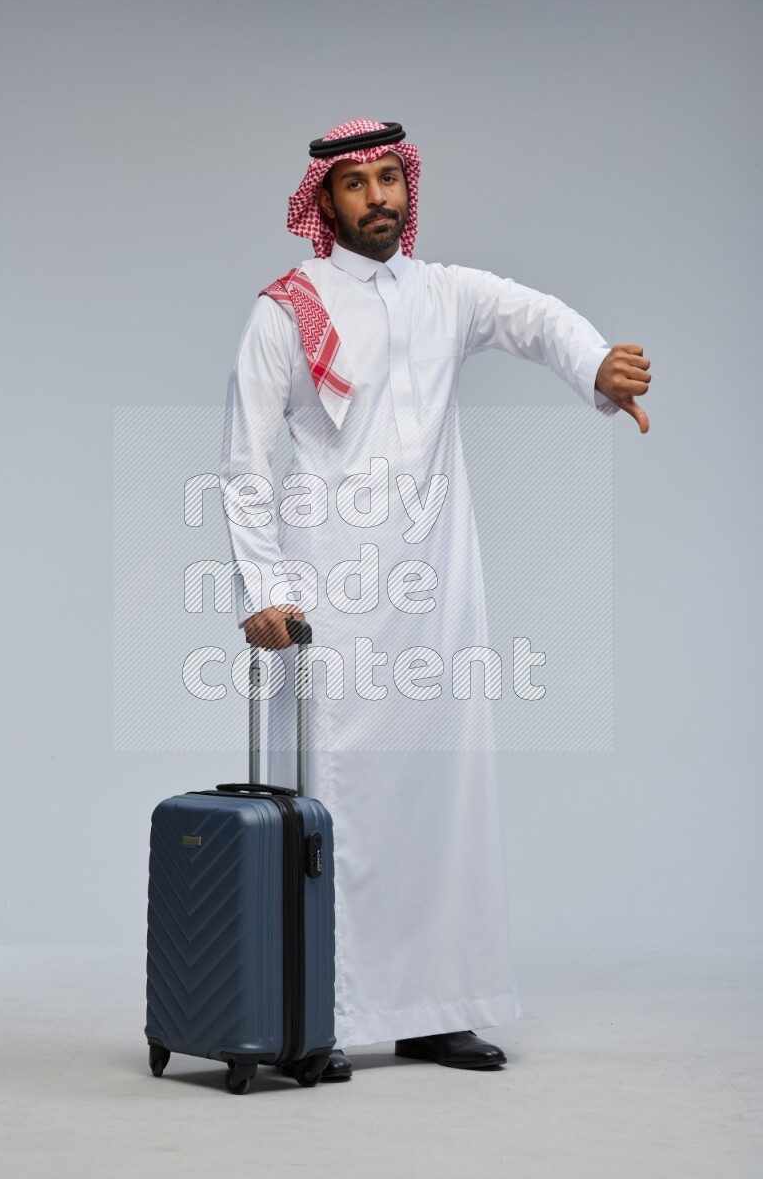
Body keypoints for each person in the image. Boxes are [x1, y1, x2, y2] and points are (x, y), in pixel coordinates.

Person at [218, 119, 651, 1081]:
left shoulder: (446, 293)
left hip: (440, 592)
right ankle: (316, 1014)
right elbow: (246, 464)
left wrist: (596, 366)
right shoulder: (287, 311)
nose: (378, 198)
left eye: (389, 180)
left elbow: (535, 319)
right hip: (331, 594)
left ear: (406, 188)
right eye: (357, 184)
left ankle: (434, 1009)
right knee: (337, 802)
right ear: (323, 200)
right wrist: (265, 589)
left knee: (444, 799)